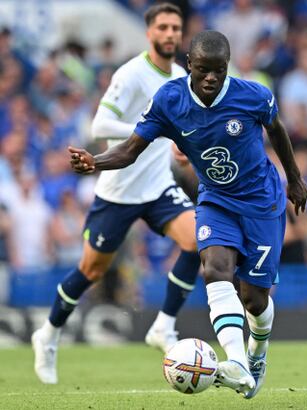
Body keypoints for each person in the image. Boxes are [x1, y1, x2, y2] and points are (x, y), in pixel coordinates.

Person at [67, 30, 307, 399]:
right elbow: (131, 149)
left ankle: (256, 353)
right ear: (189, 65)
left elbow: (276, 130)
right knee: (215, 268)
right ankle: (236, 362)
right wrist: (95, 161)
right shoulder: (170, 100)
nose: (211, 77)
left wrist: (294, 179)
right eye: (203, 70)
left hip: (262, 203)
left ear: (228, 66)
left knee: (254, 299)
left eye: (219, 70)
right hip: (215, 199)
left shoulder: (253, 95)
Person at [31, 3, 202, 384]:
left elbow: (178, 131)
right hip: (118, 192)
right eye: (163, 27)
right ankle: (49, 334)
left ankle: (164, 325)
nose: (171, 34)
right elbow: (100, 124)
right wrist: (151, 129)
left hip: (158, 186)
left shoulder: (180, 77)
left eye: (176, 27)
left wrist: (179, 147)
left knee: (197, 240)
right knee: (91, 270)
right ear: (149, 32)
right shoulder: (131, 74)